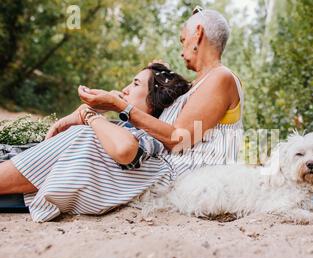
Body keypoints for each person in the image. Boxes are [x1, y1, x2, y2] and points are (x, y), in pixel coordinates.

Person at [0, 8, 244, 222]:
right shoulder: (198, 85)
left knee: (86, 140)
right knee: (86, 136)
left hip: (177, 176)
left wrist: (120, 106)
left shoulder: (220, 77)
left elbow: (178, 138)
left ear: (198, 34)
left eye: (183, 40)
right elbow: (158, 115)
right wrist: (105, 107)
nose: (181, 51)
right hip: (162, 169)